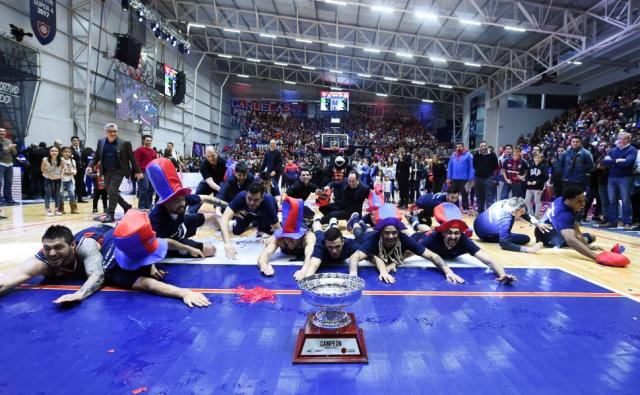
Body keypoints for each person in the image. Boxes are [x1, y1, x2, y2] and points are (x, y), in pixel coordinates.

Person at [103, 209, 211, 308]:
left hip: (111, 233)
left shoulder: (135, 237)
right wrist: (184, 293)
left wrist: (188, 248)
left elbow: (164, 242)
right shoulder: (114, 271)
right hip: (99, 236)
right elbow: (149, 285)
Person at [410, 203, 516, 284]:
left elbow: (490, 261)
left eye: (456, 233)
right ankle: (414, 221)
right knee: (425, 231)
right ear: (443, 233)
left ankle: (415, 221)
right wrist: (395, 262)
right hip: (425, 235)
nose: (453, 236)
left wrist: (503, 274)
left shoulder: (464, 241)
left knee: (428, 229)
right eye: (449, 233)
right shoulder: (431, 239)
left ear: (461, 234)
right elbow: (410, 251)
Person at [0, 225, 106, 303]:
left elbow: (97, 274)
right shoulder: (42, 261)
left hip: (106, 230)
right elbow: (5, 281)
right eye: (47, 248)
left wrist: (80, 294)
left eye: (58, 247)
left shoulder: (86, 246)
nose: (52, 253)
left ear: (73, 245)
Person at [348, 213, 464, 284]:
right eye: (387, 233)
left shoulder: (404, 238)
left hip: (384, 254)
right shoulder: (373, 240)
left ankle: (360, 224)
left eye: (394, 233)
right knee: (358, 233)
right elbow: (355, 256)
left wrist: (448, 272)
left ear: (399, 232)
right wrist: (353, 275)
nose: (391, 236)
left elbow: (431, 255)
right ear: (381, 233)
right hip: (364, 239)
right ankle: (355, 222)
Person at [147, 158, 221, 258]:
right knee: (211, 250)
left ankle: (220, 230)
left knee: (213, 217)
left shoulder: (180, 200)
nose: (182, 203)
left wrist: (228, 206)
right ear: (166, 203)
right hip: (172, 242)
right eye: (177, 201)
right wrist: (188, 248)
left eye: (183, 199)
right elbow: (161, 243)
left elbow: (205, 198)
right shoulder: (155, 219)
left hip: (181, 224)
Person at [91, 123, 143, 223]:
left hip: (119, 171)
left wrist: (138, 171)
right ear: (106, 132)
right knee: (111, 191)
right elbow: (97, 155)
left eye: (114, 131)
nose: (113, 133)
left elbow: (132, 158)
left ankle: (110, 214)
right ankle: (126, 206)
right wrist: (90, 166)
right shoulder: (101, 142)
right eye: (110, 131)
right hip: (105, 171)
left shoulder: (124, 143)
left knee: (112, 191)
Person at [534, 185, 600, 261]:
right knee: (571, 240)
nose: (583, 204)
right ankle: (552, 241)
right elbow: (570, 240)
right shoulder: (564, 214)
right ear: (568, 201)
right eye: (579, 201)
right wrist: (596, 256)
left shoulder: (563, 200)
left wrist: (586, 245)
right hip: (547, 235)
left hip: (545, 230)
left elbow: (573, 224)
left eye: (583, 200)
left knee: (591, 237)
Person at [257, 197, 316, 276]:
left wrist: (305, 269)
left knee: (316, 227)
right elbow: (264, 255)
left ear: (299, 236)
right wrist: (264, 265)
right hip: (285, 225)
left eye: (292, 238)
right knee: (269, 233)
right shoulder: (279, 238)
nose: (289, 242)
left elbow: (310, 255)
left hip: (304, 224)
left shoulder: (308, 237)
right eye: (287, 238)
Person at [220, 183, 281, 259]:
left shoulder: (267, 204)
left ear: (262, 198)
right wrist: (227, 243)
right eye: (249, 198)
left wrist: (273, 237)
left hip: (264, 215)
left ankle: (259, 224)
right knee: (236, 231)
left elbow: (278, 230)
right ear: (246, 195)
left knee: (270, 233)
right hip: (249, 213)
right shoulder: (241, 196)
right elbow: (224, 219)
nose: (252, 202)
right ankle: (255, 223)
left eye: (256, 200)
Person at [474, 197, 550, 253]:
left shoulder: (506, 202)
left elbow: (524, 213)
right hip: (484, 234)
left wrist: (538, 224)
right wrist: (529, 250)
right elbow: (505, 244)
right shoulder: (506, 220)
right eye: (521, 212)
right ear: (514, 211)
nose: (523, 213)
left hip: (478, 222)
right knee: (525, 238)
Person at [601, 132, 638, 229]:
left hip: (626, 177)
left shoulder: (632, 150)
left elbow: (628, 163)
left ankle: (627, 223)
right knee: (612, 200)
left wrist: (613, 162)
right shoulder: (613, 150)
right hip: (612, 177)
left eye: (624, 139)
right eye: (620, 139)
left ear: (628, 140)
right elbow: (604, 162)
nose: (622, 141)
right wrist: (617, 160)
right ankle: (613, 221)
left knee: (626, 200)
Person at [189, 146, 227, 214]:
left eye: (213, 156)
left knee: (223, 196)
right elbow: (210, 181)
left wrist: (224, 190)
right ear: (205, 156)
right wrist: (220, 189)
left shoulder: (224, 161)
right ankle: (190, 212)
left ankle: (223, 212)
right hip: (208, 183)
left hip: (220, 182)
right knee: (199, 191)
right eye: (208, 156)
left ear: (217, 153)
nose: (211, 159)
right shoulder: (203, 165)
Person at [473, 140, 498, 213]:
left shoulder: (492, 154)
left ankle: (488, 214)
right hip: (478, 178)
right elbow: (474, 165)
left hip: (488, 178)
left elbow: (495, 165)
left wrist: (488, 171)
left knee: (489, 197)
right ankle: (480, 213)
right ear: (479, 147)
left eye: (484, 146)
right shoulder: (476, 154)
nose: (483, 147)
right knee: (479, 197)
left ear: (487, 146)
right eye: (481, 146)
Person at [133, 134, 158, 210]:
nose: (149, 142)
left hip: (151, 172)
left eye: (150, 141)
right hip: (143, 171)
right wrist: (138, 172)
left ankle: (148, 204)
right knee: (144, 188)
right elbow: (136, 161)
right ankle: (141, 205)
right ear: (144, 140)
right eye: (147, 140)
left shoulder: (153, 151)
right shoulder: (139, 150)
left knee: (151, 189)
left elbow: (155, 162)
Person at [447, 142, 474, 210]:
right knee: (454, 194)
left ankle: (465, 208)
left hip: (465, 179)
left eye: (460, 146)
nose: (459, 148)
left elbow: (472, 167)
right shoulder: (453, 156)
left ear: (463, 147)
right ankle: (455, 208)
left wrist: (471, 178)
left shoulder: (468, 155)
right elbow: (450, 167)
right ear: (456, 148)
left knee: (465, 194)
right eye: (457, 147)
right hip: (454, 179)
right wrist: (449, 178)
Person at [41, 146, 63, 216]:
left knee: (57, 193)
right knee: (48, 193)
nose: (54, 152)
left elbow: (63, 168)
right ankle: (47, 209)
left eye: (56, 151)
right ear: (49, 152)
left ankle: (57, 209)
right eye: (52, 151)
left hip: (58, 178)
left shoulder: (61, 159)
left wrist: (61, 176)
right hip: (48, 177)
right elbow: (42, 169)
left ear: (58, 152)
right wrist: (50, 175)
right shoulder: (45, 159)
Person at [524, 153, 548, 218]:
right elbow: (527, 176)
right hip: (530, 187)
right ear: (533, 158)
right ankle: (530, 214)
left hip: (538, 187)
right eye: (536, 157)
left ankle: (537, 216)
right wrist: (528, 181)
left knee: (537, 201)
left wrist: (537, 182)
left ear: (541, 159)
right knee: (527, 200)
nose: (537, 159)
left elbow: (546, 177)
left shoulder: (543, 167)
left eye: (539, 158)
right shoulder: (531, 166)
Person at [0, 128, 18, 206]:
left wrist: (13, 148)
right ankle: (0, 200)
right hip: (1, 163)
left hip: (9, 164)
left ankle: (8, 199)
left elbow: (14, 153)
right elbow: (3, 152)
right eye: (0, 131)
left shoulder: (9, 141)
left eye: (3, 131)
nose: (2, 132)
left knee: (9, 183)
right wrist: (8, 148)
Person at [59, 147, 78, 214]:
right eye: (65, 151)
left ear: (71, 153)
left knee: (72, 194)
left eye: (69, 152)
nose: (67, 153)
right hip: (61, 180)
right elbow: (58, 170)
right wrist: (64, 172)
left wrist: (73, 172)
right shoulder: (60, 160)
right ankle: (61, 209)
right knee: (61, 194)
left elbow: (75, 170)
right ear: (62, 153)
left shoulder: (73, 161)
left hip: (70, 179)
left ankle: (73, 209)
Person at [70, 136, 87, 203]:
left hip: (82, 168)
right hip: (73, 168)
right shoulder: (70, 149)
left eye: (77, 140)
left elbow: (85, 158)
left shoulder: (82, 149)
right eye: (74, 140)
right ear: (71, 141)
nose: (76, 141)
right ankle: (75, 197)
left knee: (80, 182)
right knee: (75, 182)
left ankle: (80, 197)